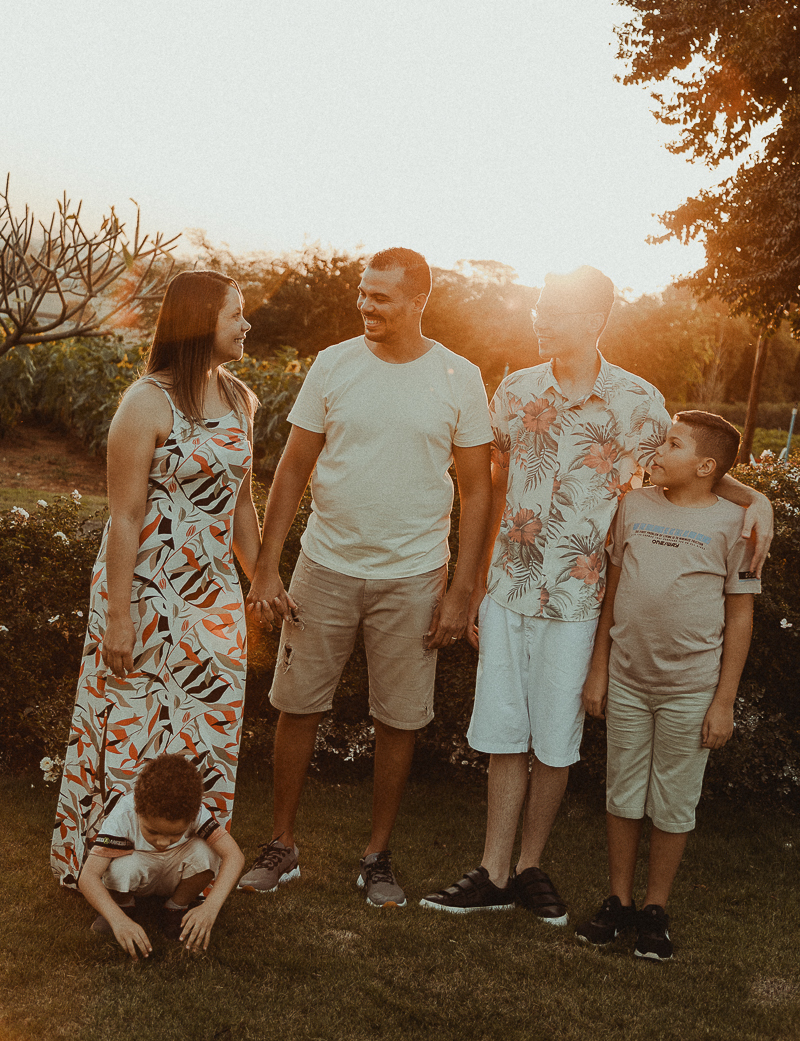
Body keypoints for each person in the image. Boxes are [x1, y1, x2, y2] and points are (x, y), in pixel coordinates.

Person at [420, 266, 772, 920]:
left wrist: (757, 498)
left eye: (553, 309)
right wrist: (471, 590)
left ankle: (530, 867)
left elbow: (691, 473)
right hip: (508, 592)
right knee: (503, 734)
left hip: (580, 601)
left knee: (554, 740)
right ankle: (493, 873)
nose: (539, 318)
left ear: (592, 320)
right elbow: (490, 486)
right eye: (540, 307)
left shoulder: (639, 403)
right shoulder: (516, 390)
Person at [238, 247, 492, 907]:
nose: (365, 305)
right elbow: (291, 468)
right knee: (296, 706)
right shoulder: (333, 364)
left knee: (399, 719)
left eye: (380, 296)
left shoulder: (458, 377)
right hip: (324, 566)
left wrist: (461, 592)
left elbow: (477, 490)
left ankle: (377, 857)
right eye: (363, 293)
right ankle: (282, 845)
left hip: (413, 576)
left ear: (418, 302)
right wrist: (267, 566)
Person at [51, 270, 261, 889]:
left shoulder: (243, 400)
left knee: (207, 725)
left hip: (212, 597)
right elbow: (125, 514)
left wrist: (265, 581)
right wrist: (120, 615)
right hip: (140, 592)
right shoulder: (146, 401)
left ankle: (188, 875)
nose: (246, 325)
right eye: (235, 315)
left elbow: (241, 505)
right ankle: (114, 873)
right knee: (132, 727)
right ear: (202, 324)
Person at [575, 411, 760, 960]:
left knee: (674, 802)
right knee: (623, 793)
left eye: (673, 444)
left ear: (706, 466)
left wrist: (723, 701)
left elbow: (741, 616)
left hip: (691, 690)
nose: (658, 449)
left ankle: (656, 908)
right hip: (629, 682)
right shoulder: (634, 506)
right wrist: (599, 670)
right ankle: (618, 901)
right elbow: (612, 594)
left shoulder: (736, 524)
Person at [79, 753, 245, 957]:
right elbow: (88, 877)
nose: (163, 842)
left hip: (175, 870)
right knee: (117, 867)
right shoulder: (124, 814)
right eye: (153, 831)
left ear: (192, 816)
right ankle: (123, 907)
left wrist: (210, 908)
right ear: (138, 811)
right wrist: (117, 920)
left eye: (175, 834)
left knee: (208, 851)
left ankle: (175, 908)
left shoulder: (196, 811)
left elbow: (234, 856)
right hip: (136, 867)